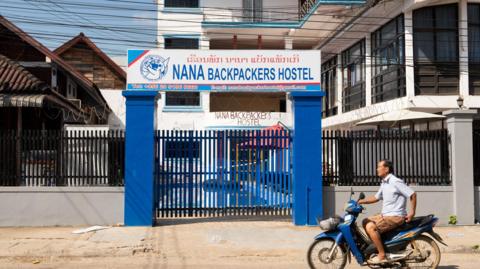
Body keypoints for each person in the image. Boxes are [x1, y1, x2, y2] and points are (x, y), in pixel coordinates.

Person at [358, 160, 417, 264]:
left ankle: (382, 254)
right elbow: (376, 198)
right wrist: (359, 202)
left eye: (379, 167)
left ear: (386, 169)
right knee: (365, 221)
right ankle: (378, 246)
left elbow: (412, 194)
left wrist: (412, 212)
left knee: (370, 227)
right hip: (386, 215)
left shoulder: (395, 181)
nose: (377, 169)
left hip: (395, 216)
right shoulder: (384, 182)